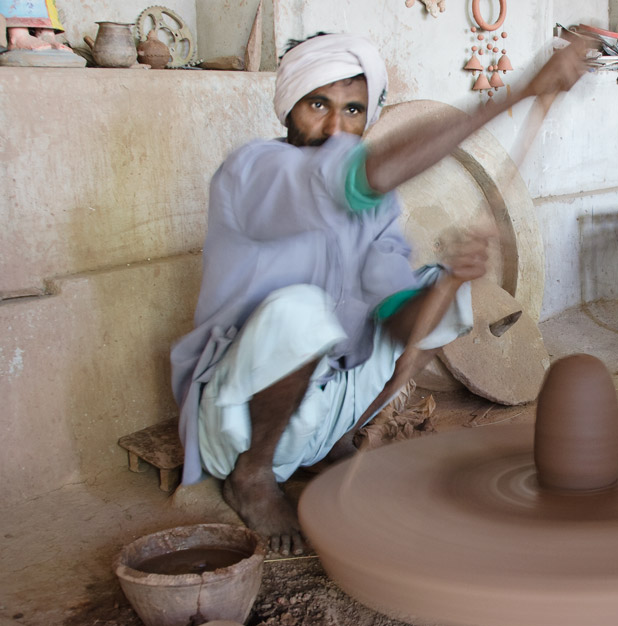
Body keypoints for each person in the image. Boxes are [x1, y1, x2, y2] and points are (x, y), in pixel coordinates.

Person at [170, 32, 587, 555]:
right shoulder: (253, 171)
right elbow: (358, 177)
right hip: (236, 426)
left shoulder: (376, 211)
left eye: (353, 110)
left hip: (320, 414)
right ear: (289, 108)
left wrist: (452, 281)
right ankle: (251, 479)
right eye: (317, 105)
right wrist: (520, 92)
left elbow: (397, 321)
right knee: (300, 312)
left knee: (435, 294)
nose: (335, 128)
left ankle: (336, 442)